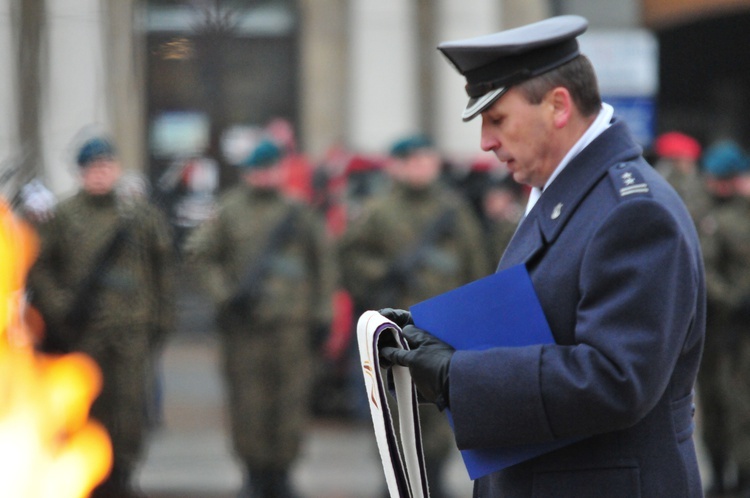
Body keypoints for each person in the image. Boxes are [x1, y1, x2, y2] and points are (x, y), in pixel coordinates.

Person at [378, 15, 706, 497]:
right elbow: (541, 327)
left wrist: (457, 376)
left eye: (497, 119)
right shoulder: (568, 194)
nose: (486, 141)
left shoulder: (633, 213)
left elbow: (616, 378)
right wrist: (432, 346)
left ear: (557, 106)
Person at [338, 133, 490, 496]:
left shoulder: (453, 210)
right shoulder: (378, 210)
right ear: (399, 165)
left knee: (438, 411)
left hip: (443, 328)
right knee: (394, 406)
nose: (425, 167)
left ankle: (434, 481)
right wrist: (384, 274)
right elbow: (348, 259)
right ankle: (394, 481)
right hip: (395, 332)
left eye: (429, 159)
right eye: (416, 160)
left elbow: (476, 265)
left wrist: (473, 316)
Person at [184, 139, 335, 498]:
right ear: (248, 172)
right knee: (248, 403)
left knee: (290, 402)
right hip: (245, 329)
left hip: (292, 326)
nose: (266, 175)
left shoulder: (299, 212)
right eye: (259, 169)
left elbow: (323, 265)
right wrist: (224, 296)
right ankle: (254, 473)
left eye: (272, 168)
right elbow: (198, 253)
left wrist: (321, 313)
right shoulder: (230, 210)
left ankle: (282, 473)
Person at [27, 135, 176, 497]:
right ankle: (89, 477)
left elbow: (162, 269)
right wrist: (58, 306)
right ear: (81, 173)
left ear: (117, 169)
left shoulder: (139, 217)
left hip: (130, 329)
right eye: (93, 168)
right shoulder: (64, 216)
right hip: (84, 331)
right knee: (86, 408)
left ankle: (124, 474)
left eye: (107, 166)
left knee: (128, 409)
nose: (100, 174)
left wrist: (160, 318)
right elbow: (40, 266)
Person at [699, 139, 750, 497]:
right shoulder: (704, 215)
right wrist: (731, 300)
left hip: (741, 331)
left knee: (740, 404)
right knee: (714, 405)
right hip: (715, 328)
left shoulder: (742, 214)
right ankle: (719, 472)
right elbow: (703, 270)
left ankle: (742, 473)